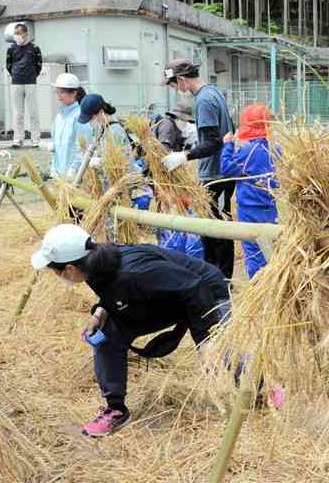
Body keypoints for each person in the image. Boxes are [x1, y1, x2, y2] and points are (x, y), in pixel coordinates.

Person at [31, 224, 229, 436]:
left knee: (218, 351)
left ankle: (262, 385)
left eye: (54, 270)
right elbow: (115, 292)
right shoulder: (95, 265)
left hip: (205, 292)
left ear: (70, 269)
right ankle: (116, 410)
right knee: (108, 334)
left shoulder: (134, 271)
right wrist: (100, 312)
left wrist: (205, 340)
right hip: (166, 297)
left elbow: (195, 288)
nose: (55, 274)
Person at [161, 59, 236, 279]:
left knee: (218, 229)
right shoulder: (214, 93)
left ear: (182, 80)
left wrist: (184, 156)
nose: (176, 90)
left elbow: (213, 143)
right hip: (215, 172)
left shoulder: (203, 100)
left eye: (174, 85)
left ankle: (223, 279)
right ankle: (213, 276)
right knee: (209, 229)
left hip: (217, 174)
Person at [220, 104, 278, 279]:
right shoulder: (275, 149)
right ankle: (273, 284)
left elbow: (227, 168)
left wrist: (228, 146)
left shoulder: (249, 151)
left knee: (254, 252)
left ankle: (258, 288)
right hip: (270, 207)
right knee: (271, 250)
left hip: (251, 209)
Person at [6, 23, 43, 148]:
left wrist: (32, 75)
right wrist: (15, 74)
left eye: (18, 33)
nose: (16, 36)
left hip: (30, 81)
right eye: (15, 33)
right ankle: (18, 140)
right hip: (16, 82)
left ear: (25, 33)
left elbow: (39, 65)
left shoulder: (34, 48)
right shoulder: (11, 48)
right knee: (18, 113)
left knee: (33, 112)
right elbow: (8, 65)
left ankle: (35, 140)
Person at [48, 73, 88, 179]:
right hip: (60, 173)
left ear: (74, 93)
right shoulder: (59, 117)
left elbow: (84, 146)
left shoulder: (79, 115)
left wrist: (74, 169)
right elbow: (56, 146)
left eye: (62, 92)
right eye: (57, 92)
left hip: (76, 175)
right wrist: (53, 168)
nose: (59, 96)